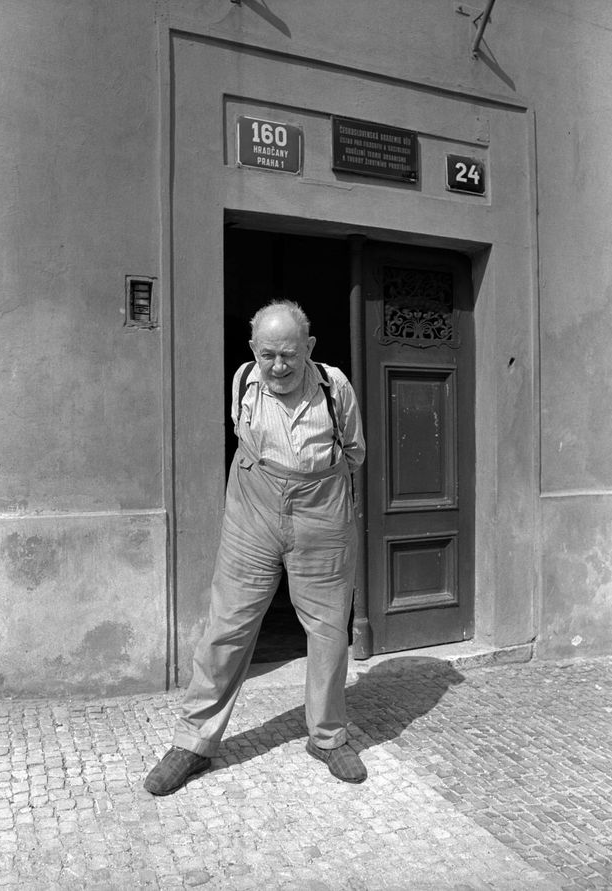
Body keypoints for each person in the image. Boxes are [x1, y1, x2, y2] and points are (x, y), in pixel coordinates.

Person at [144, 299, 367, 795]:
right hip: (252, 507)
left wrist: (312, 483)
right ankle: (193, 742)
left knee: (329, 629)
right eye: (268, 354)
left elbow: (354, 450)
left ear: (309, 347)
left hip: (322, 511)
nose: (278, 366)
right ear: (253, 350)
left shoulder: (336, 387)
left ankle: (328, 737)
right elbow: (242, 436)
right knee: (227, 625)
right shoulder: (244, 379)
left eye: (289, 354)